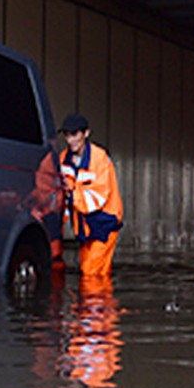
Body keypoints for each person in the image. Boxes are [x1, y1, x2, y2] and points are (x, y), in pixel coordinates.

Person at [59, 113, 123, 278]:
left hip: (104, 223)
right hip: (85, 226)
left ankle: (95, 302)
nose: (70, 140)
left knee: (91, 273)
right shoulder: (63, 159)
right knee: (92, 272)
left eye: (74, 135)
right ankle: (99, 303)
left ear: (86, 134)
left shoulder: (99, 158)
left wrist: (72, 195)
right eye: (67, 135)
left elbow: (98, 196)